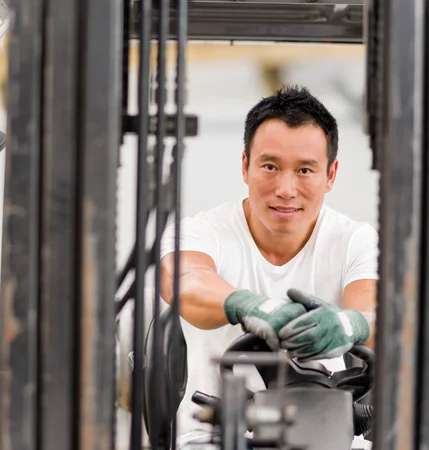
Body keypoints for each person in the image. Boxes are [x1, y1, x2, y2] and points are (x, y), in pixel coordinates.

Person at [159, 85, 378, 447]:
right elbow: (186, 281)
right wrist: (249, 306)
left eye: (305, 170)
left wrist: (350, 322)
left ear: (331, 174)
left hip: (330, 432)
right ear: (245, 166)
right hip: (214, 436)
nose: (286, 188)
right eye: (270, 166)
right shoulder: (201, 233)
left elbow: (380, 309)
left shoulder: (355, 241)